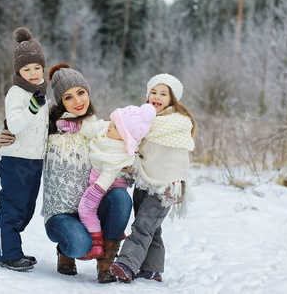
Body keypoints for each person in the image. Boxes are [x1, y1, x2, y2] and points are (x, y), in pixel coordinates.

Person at [42, 63, 133, 283]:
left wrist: (129, 167)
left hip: (91, 207)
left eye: (81, 93)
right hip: (61, 213)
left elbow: (130, 144)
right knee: (79, 244)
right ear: (60, 101)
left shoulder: (102, 130)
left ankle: (106, 264)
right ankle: (65, 252)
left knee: (121, 197)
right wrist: (2, 141)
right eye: (69, 97)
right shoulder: (50, 129)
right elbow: (21, 139)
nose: (78, 101)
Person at [110, 73, 196, 283]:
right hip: (144, 181)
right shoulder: (142, 120)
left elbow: (177, 160)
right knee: (151, 228)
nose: (156, 96)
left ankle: (126, 264)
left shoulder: (178, 123)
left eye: (163, 93)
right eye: (153, 92)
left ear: (172, 98)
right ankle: (152, 269)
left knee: (142, 227)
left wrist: (175, 184)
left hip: (166, 186)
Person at [0, 27, 49, 272]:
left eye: (37, 68)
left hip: (34, 160)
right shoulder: (17, 93)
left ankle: (14, 249)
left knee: (26, 209)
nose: (33, 73)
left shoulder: (41, 92)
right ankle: (6, 254)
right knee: (13, 206)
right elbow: (14, 124)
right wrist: (32, 108)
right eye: (27, 70)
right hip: (16, 160)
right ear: (19, 71)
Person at [77, 103, 156, 261]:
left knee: (86, 209)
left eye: (114, 127)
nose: (109, 126)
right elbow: (91, 129)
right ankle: (113, 230)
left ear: (124, 137)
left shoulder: (121, 153)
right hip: (99, 183)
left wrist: (95, 193)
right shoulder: (107, 130)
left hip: (105, 186)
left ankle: (96, 243)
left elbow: (108, 174)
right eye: (112, 121)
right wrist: (74, 126)